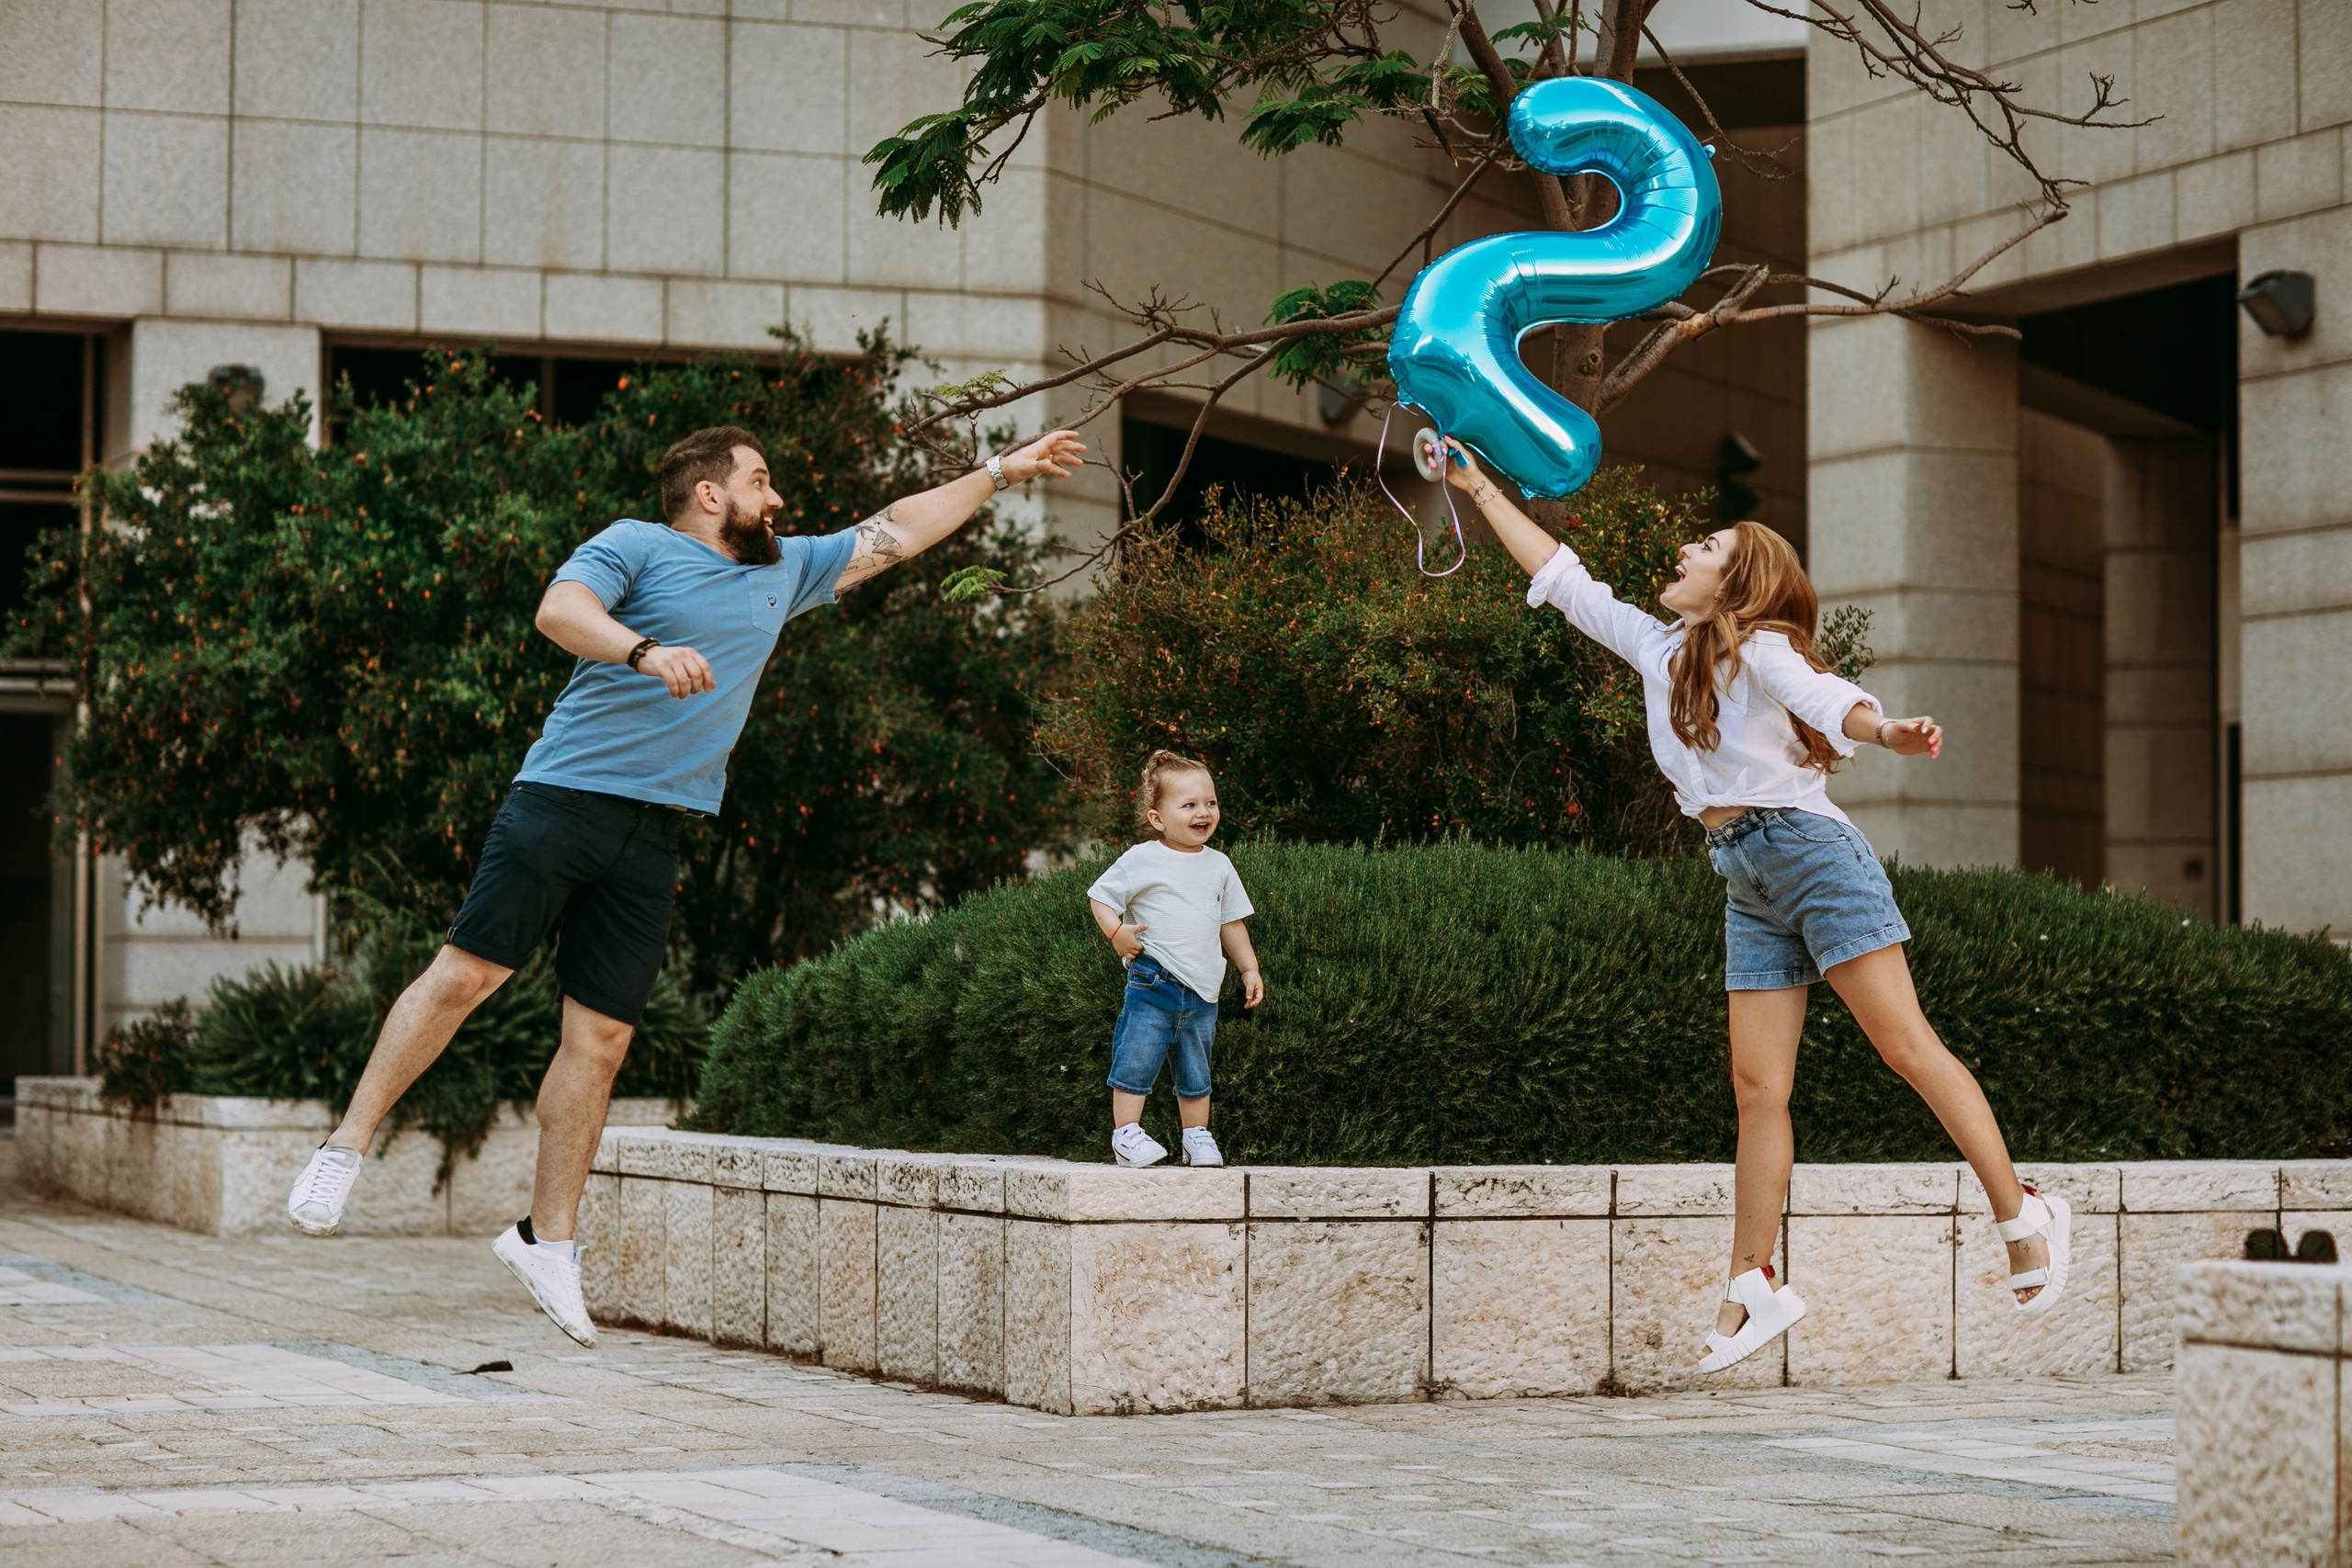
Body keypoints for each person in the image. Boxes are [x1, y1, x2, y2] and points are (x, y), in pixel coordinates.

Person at [284, 423, 1086, 1345]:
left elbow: (896, 529)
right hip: (563, 799)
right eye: (761, 479)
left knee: (603, 1037)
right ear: (712, 495)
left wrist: (995, 472)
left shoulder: (786, 569)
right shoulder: (636, 543)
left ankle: (547, 1242)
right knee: (466, 977)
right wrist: (641, 651)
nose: (776, 497)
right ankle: (345, 1145)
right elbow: (560, 612)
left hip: (658, 831)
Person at [1442, 439, 2069, 1372]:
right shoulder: (1661, 651)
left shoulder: (1765, 649)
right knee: (1755, 1090)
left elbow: (1826, 699)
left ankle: (2022, 1214)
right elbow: (1563, 579)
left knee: (1904, 1047)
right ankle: (1754, 1283)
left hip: (1811, 857)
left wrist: (1886, 730)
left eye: (1705, 547)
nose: (1685, 552)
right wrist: (1475, 486)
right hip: (1743, 872)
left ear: (1736, 583)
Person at [1085, 750, 1264, 1168]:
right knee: (1137, 1054)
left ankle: (1196, 1137)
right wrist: (1116, 933)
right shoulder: (1142, 858)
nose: (1203, 812)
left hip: (1204, 987)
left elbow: (1231, 923)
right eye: (1189, 805)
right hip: (1154, 979)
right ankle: (1125, 1135)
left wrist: (1248, 968)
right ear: (1157, 819)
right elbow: (1100, 897)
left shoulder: (1219, 865)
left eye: (1211, 802)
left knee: (1195, 1067)